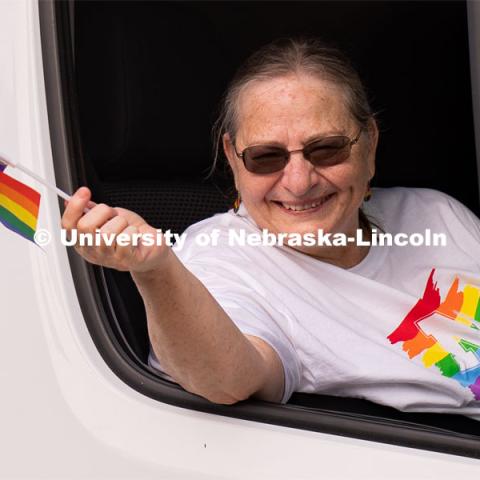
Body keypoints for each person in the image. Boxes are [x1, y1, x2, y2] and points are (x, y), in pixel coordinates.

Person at [62, 38, 480, 418]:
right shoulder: (220, 257)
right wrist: (155, 270)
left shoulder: (436, 212)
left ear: (369, 143)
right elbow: (226, 378)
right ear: (232, 157)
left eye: (327, 149)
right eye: (266, 157)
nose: (299, 181)